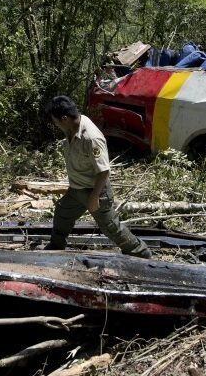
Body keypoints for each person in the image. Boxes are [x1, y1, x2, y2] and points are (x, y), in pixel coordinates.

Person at [43, 95, 152, 258]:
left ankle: (141, 252)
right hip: (76, 189)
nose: (56, 124)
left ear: (64, 118)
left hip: (95, 190)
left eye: (56, 121)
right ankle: (56, 245)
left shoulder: (91, 137)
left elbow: (104, 171)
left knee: (110, 226)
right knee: (62, 213)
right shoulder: (71, 128)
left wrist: (94, 197)